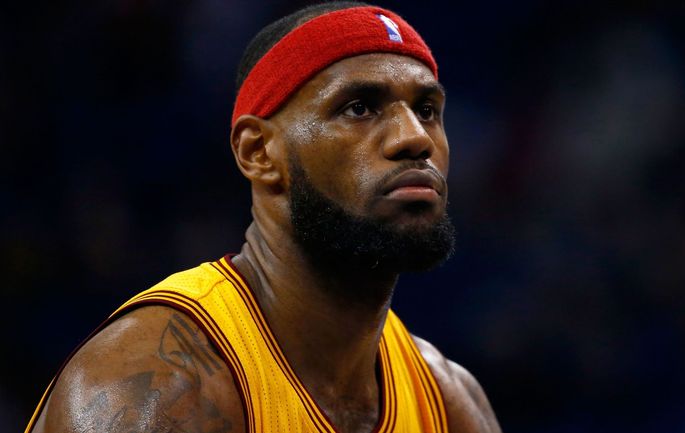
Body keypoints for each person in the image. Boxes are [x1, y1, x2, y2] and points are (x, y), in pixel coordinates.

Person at [25, 2, 502, 432]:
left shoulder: (448, 398)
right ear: (259, 153)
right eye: (359, 108)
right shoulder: (157, 389)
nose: (414, 137)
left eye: (427, 110)